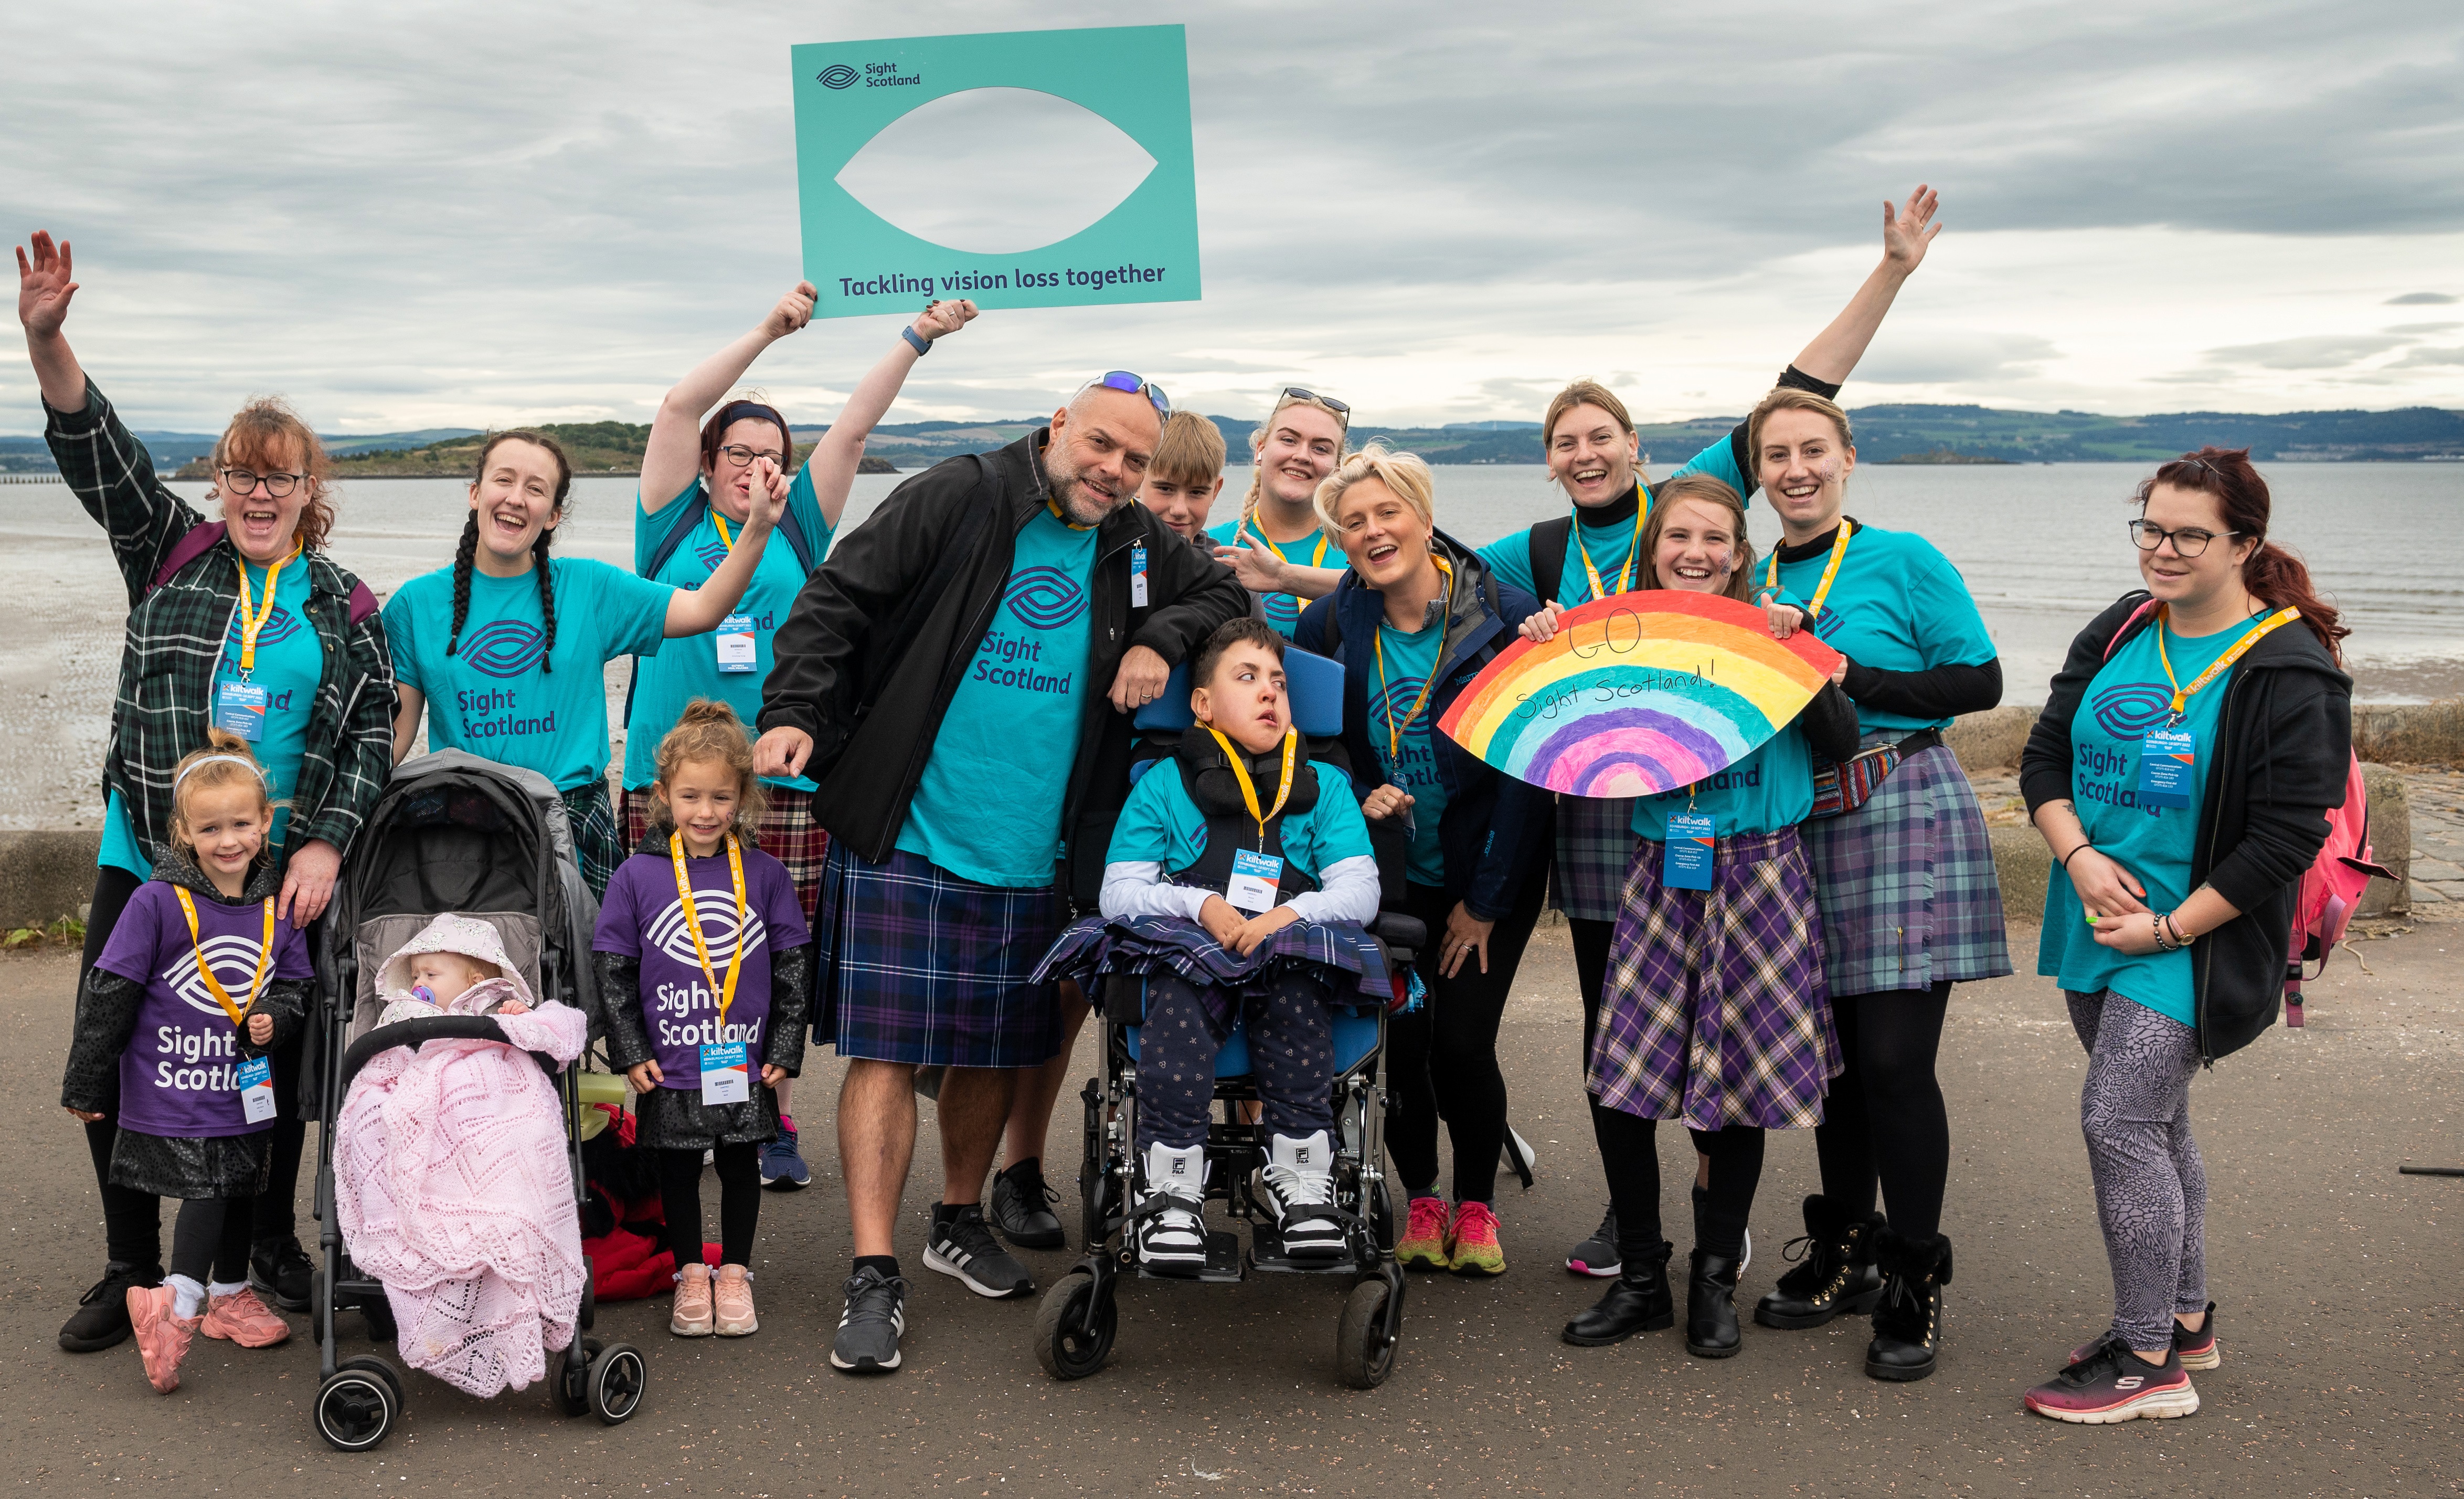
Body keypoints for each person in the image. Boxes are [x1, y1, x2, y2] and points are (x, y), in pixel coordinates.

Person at [1469, 186, 1944, 1282]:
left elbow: (1801, 390)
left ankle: (1708, 1224)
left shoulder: (1687, 508)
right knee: (1618, 1030)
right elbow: (1423, 589)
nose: (1584, 455)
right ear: (1547, 460)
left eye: (1601, 438)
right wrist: (1278, 578)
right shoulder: (1528, 553)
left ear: (1635, 448)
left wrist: (1891, 273)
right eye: (1564, 444)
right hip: (1591, 809)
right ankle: (1628, 1227)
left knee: (1709, 1028)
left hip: (1697, 809)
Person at [755, 370, 1248, 1374]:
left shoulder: (1137, 541)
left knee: (991, 1045)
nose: (1113, 470)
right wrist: (794, 709)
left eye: (1135, 461)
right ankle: (873, 1269)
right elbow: (835, 598)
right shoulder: (962, 492)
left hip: (1040, 846)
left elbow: (1225, 594)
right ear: (1059, 424)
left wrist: (1158, 638)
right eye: (1101, 445)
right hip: (912, 823)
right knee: (887, 1052)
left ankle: (957, 1214)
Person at [19, 230, 395, 1349]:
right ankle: (129, 1263)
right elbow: (102, 454)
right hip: (152, 859)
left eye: (279, 473)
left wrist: (325, 842)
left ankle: (258, 1242)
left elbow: (371, 733)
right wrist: (46, 338)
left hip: (274, 871)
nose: (257, 490)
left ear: (308, 488)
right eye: (240, 470)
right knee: (125, 1040)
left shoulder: (342, 603)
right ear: (219, 482)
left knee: (266, 1045)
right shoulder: (171, 554)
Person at [2017, 448, 2350, 1424]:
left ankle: (2146, 1359)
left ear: (2243, 543)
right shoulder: (2122, 624)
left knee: (2117, 1122)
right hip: (2094, 915)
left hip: (2196, 943)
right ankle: (2187, 1315)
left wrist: (2166, 926)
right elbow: (2044, 756)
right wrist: (2078, 856)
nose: (2162, 551)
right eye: (2150, 528)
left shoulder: (2289, 670)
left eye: (2189, 535)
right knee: (2154, 1124)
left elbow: (2290, 836)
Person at [626, 285, 975, 1192]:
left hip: (778, 776)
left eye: (770, 456)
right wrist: (768, 332)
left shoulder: (797, 524)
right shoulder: (667, 525)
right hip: (664, 780)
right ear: (707, 466)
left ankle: (766, 1114)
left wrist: (915, 338)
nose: (753, 468)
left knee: (769, 953)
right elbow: (676, 406)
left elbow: (853, 432)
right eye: (737, 453)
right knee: (671, 949)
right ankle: (672, 1114)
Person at [1521, 479, 1858, 1356]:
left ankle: (1712, 1278)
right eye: (1678, 536)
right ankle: (1641, 1279)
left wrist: (1801, 651)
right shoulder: (1621, 640)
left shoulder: (1775, 631)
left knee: (1736, 1090)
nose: (1696, 550)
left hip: (1762, 874)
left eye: (1715, 537)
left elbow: (1841, 740)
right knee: (1624, 1084)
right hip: (1660, 872)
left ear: (1740, 553)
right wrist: (1545, 645)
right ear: (1655, 548)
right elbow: (1543, 720)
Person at [1744, 385, 2011, 1381]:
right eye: (1777, 456)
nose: (1796, 469)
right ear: (1760, 472)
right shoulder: (1747, 574)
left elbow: (1977, 683)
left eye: (1813, 449)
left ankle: (1912, 1277)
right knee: (1833, 1066)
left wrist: (1839, 666)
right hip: (1798, 825)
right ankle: (1846, 1249)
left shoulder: (1903, 558)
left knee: (1895, 1062)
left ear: (1846, 456)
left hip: (1902, 806)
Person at [1033, 619, 1385, 1272]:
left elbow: (1360, 889)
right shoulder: (1163, 784)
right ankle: (1170, 1189)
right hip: (1193, 953)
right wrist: (1200, 903)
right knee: (1175, 986)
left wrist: (1289, 915)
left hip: (1286, 949)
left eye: (1277, 682)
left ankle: (1304, 1178)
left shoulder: (1327, 788)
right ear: (1202, 705)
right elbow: (1120, 892)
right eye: (1246, 678)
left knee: (1296, 981)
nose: (1269, 694)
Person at [985, 409, 1242, 1250]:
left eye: (1197, 493)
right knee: (1059, 998)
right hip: (1086, 812)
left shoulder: (1205, 570)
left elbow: (1231, 611)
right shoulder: (1106, 545)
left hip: (1195, 822)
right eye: (1163, 486)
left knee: (1215, 987)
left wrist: (1162, 639)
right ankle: (1019, 1167)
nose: (1179, 507)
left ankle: (1229, 1164)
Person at [1295, 446, 1553, 1277]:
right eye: (1354, 524)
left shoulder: (1502, 616)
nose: (1373, 533)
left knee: (1463, 1047)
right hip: (1392, 877)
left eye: (1386, 514)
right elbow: (1320, 741)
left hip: (1488, 875)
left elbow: (1524, 773)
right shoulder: (1332, 622)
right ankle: (1425, 1201)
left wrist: (1483, 904)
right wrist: (1362, 787)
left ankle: (1476, 1207)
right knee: (1400, 1048)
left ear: (1424, 515)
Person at [384, 429, 785, 897]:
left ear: (553, 514)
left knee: (588, 970)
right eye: (504, 480)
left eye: (535, 489)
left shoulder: (591, 588)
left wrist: (758, 526)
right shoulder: (414, 605)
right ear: (475, 494)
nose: (516, 498)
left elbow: (703, 610)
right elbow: (396, 737)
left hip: (573, 823)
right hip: (466, 827)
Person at [60, 734, 313, 1393]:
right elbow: (109, 991)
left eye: (241, 824)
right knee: (209, 1186)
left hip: (242, 1084)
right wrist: (87, 1080)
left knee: (237, 1183)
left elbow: (294, 986)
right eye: (210, 828)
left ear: (266, 823)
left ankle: (229, 1293)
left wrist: (276, 1018)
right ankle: (174, 1305)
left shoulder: (276, 907)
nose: (228, 840)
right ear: (184, 832)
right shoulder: (154, 903)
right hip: (174, 1084)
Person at [594, 701, 812, 1339]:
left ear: (744, 795)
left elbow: (794, 968)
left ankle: (736, 1274)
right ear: (663, 795)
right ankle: (692, 1273)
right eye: (691, 796)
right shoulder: (636, 877)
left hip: (743, 1061)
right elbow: (614, 971)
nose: (707, 812)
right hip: (671, 1062)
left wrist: (786, 1047)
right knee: (678, 1172)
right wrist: (632, 1051)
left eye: (721, 796)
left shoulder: (767, 875)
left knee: (743, 1168)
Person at [333, 913, 590, 1398]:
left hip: (492, 1098)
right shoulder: (403, 1014)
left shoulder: (505, 1007)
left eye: (432, 974)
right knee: (372, 1115)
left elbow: (562, 1026)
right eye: (415, 975)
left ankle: (502, 1225)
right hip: (423, 1094)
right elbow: (379, 1067)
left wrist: (520, 1023)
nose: (419, 983)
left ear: (475, 978)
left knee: (518, 1132)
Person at [1210, 389, 1353, 633]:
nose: (1302, 455)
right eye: (1289, 440)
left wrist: (1284, 577)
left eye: (1320, 449)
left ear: (1338, 469)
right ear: (1260, 450)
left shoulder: (1358, 549)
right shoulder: (1214, 545)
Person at [1137, 411, 1229, 542]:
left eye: (1196, 492)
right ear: (1137, 482)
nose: (1179, 510)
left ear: (1215, 491)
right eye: (1165, 489)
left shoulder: (1218, 562)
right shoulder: (1105, 554)